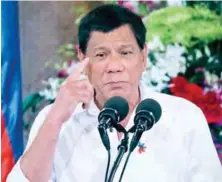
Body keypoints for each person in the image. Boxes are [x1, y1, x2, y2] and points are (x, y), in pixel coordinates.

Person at [7, 4, 222, 182]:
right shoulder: (55, 119)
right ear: (82, 57)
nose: (114, 66)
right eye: (101, 55)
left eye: (125, 53)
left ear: (143, 55)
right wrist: (55, 119)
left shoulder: (183, 117)